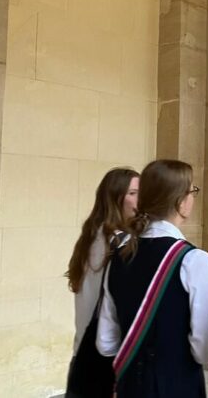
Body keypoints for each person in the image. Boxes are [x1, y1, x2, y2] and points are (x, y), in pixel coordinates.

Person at [97, 160, 208, 397]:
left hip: (129, 383)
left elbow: (106, 341)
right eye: (192, 191)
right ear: (181, 202)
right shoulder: (194, 259)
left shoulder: (119, 256)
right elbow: (206, 348)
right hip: (177, 384)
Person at [65, 168, 139, 397]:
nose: (141, 200)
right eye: (134, 193)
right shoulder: (120, 242)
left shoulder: (91, 236)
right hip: (105, 361)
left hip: (82, 356)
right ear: (116, 199)